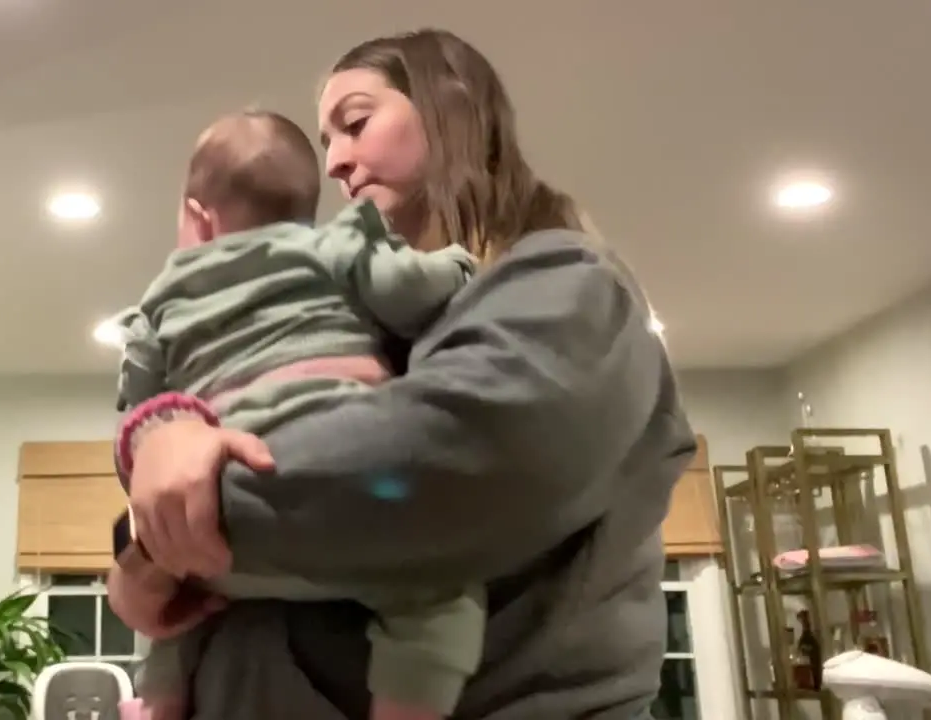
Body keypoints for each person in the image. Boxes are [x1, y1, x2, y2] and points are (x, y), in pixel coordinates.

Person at [107, 28, 696, 720]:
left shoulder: (571, 285)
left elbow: (424, 466)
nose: (333, 164)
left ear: (450, 107)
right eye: (326, 141)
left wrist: (152, 544)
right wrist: (168, 444)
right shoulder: (373, 331)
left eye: (354, 123)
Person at [112, 109, 481, 720]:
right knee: (436, 591)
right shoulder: (332, 244)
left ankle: (158, 702)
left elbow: (138, 412)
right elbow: (406, 289)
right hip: (339, 485)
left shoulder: (157, 301)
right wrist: (458, 266)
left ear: (200, 220)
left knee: (174, 611)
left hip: (223, 517)